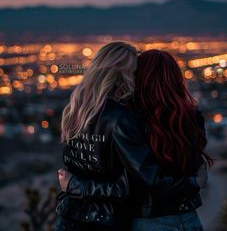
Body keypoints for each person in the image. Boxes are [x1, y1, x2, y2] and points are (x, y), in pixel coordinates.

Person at [55, 44, 209, 231]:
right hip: (190, 217)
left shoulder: (127, 118)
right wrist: (194, 182)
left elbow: (135, 184)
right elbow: (194, 166)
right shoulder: (192, 118)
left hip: (148, 220)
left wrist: (75, 185)